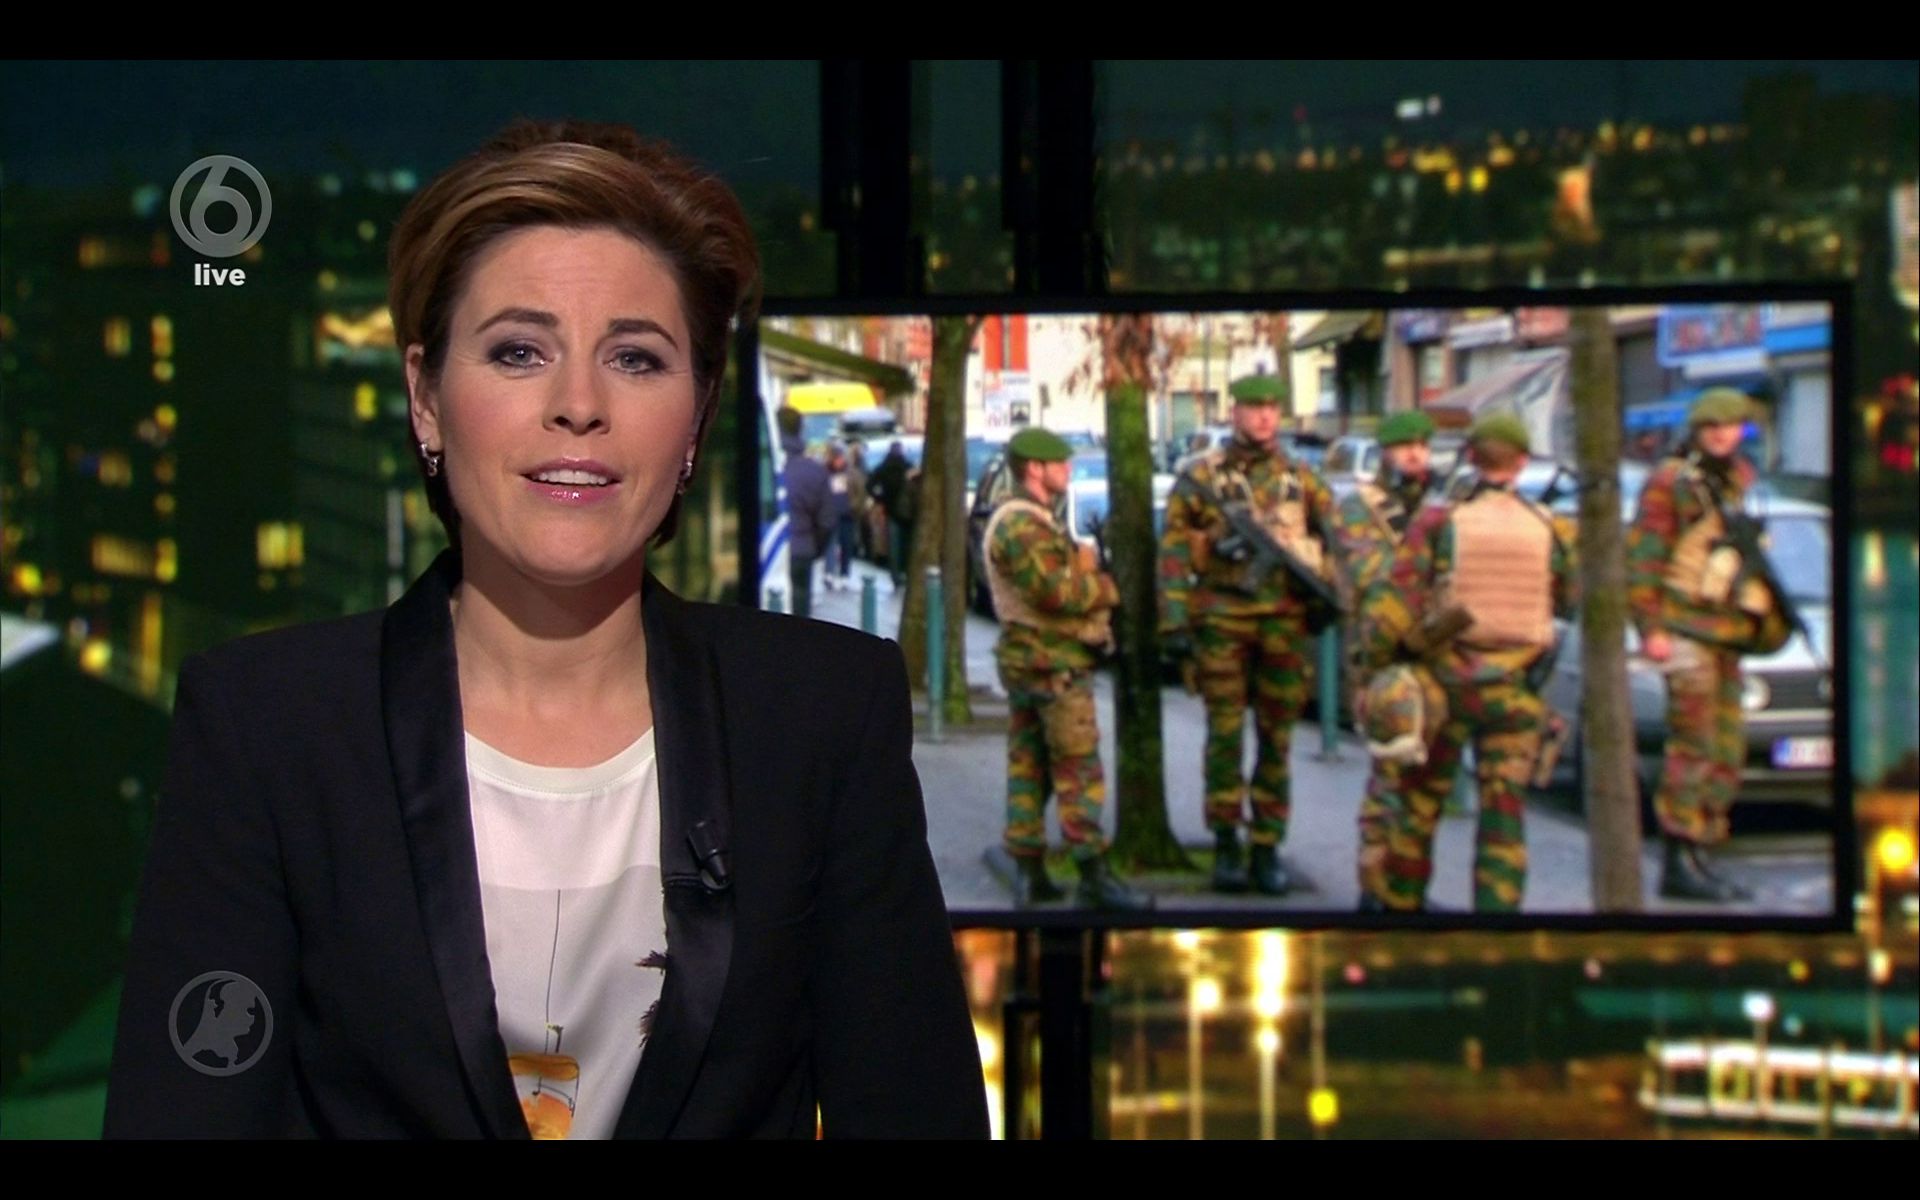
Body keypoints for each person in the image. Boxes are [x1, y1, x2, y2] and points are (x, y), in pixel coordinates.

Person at [103, 119, 987, 1140]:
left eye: (636, 358)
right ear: (425, 398)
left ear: (698, 416)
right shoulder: (266, 727)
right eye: (519, 352)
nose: (578, 405)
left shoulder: (823, 714)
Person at [1358, 413, 1577, 913]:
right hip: (1517, 691)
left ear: (1471, 458)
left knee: (1417, 807)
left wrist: (1378, 670)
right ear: (1522, 463)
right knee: (1505, 816)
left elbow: (1393, 610)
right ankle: (1496, 926)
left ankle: (1403, 914)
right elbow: (1566, 600)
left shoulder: (1439, 522)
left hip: (1445, 685)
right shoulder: (1552, 527)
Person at [1158, 374, 1339, 896]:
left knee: (1277, 739)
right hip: (1222, 622)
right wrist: (1174, 620)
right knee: (1224, 736)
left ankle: (1266, 845)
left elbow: (1338, 546)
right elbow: (1173, 551)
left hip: (1284, 624)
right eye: (1253, 408)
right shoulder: (1203, 478)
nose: (1263, 417)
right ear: (1234, 412)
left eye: (1271, 408)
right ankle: (1225, 843)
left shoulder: (1302, 479)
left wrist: (1328, 598)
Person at [1626, 388, 1790, 902]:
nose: (1721, 434)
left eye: (1730, 425)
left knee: (1724, 748)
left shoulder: (1739, 479)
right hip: (1685, 630)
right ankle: (1679, 861)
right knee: (1692, 746)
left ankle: (1701, 850)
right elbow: (1645, 558)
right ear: (1697, 431)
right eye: (1711, 427)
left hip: (1728, 633)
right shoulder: (1672, 482)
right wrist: (1651, 629)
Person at [985, 428, 1152, 911]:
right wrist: (1107, 587)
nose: (1069, 469)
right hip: (1052, 664)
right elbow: (1056, 593)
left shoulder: (1032, 519)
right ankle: (1093, 875)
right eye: (1060, 463)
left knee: (1030, 765)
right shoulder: (1021, 525)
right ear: (1034, 469)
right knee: (1078, 767)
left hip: (1033, 662)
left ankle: (1030, 873)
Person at [1328, 410, 1439, 911]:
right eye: (1404, 447)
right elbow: (1376, 578)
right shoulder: (1361, 508)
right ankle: (1374, 886)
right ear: (1385, 454)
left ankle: (1409, 888)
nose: (1415, 455)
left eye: (1422, 446)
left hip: (1435, 652)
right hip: (1383, 654)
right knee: (1390, 774)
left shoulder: (1436, 507)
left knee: (1426, 782)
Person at [777, 407, 830, 616]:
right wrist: (814, 548)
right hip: (802, 551)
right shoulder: (814, 471)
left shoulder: (765, 465)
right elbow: (827, 521)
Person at [868, 441, 912, 586]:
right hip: (909, 514)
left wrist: (880, 498)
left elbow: (869, 485)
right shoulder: (908, 467)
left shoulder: (883, 468)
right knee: (907, 545)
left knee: (894, 546)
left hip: (891, 511)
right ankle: (906, 572)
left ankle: (895, 576)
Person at [823, 441, 857, 590]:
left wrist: (854, 507)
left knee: (846, 545)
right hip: (831, 515)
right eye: (837, 458)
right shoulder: (825, 473)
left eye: (841, 458)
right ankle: (829, 573)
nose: (839, 461)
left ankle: (844, 574)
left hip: (847, 515)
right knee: (830, 545)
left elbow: (859, 491)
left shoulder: (850, 473)